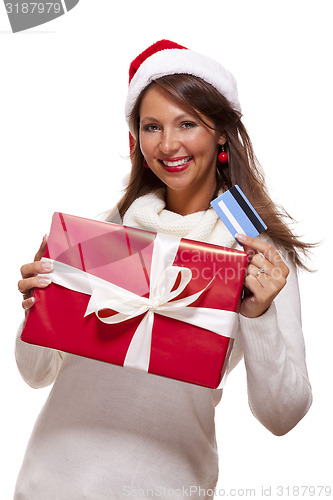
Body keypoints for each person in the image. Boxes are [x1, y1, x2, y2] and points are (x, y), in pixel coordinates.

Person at [15, 40, 313, 499]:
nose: (168, 144)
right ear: (137, 138)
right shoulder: (106, 231)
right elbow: (35, 373)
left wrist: (260, 318)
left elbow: (283, 416)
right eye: (152, 126)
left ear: (220, 133)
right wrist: (38, 305)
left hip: (164, 486)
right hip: (52, 480)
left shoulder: (257, 256)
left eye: (187, 123)